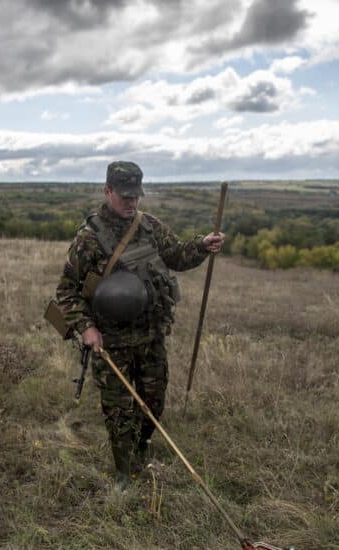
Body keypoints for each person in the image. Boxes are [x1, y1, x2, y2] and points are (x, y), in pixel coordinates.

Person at [55, 161, 225, 488]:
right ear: (107, 192)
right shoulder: (88, 238)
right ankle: (124, 473)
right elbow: (66, 290)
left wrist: (202, 246)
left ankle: (139, 449)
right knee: (118, 412)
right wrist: (86, 327)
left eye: (136, 196)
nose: (131, 203)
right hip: (111, 339)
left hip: (150, 335)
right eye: (124, 196)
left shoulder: (149, 226)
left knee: (153, 401)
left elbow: (176, 255)